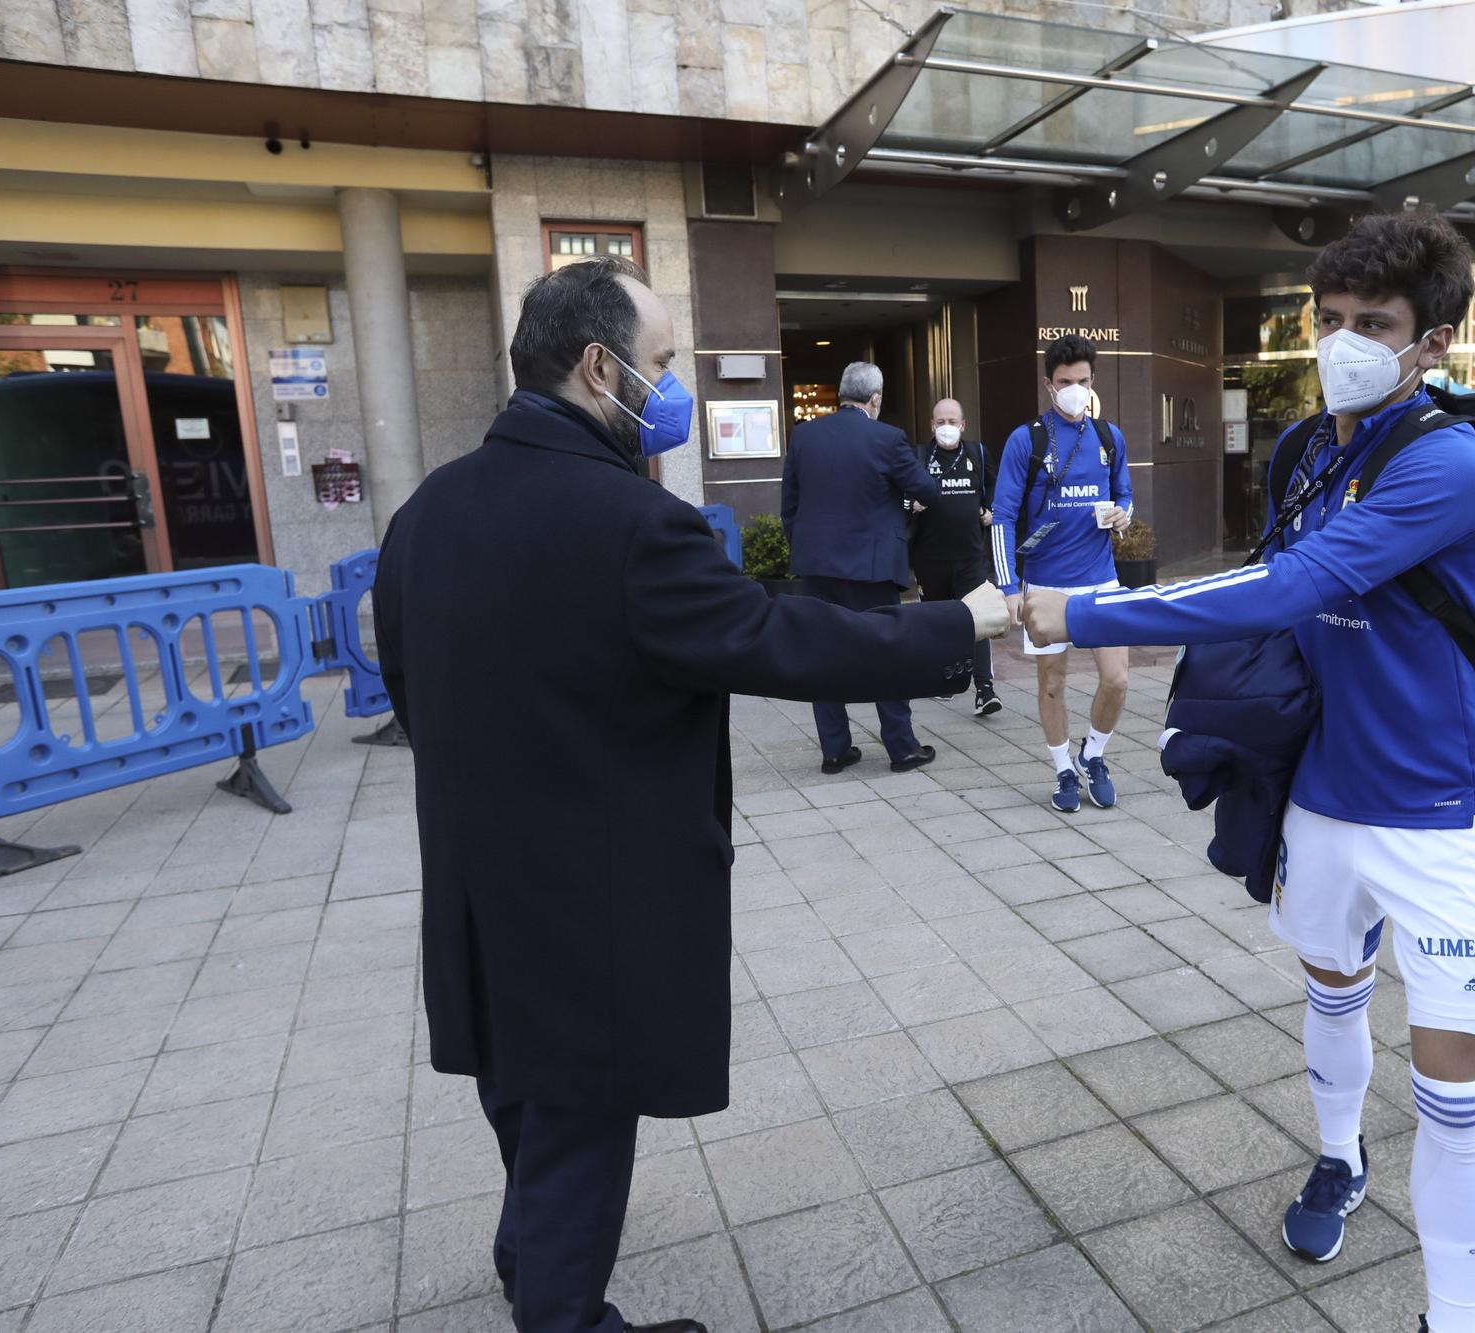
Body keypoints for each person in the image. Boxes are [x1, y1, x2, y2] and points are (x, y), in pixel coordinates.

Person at [373, 257, 1007, 1333]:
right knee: (581, 1112)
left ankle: (527, 1256)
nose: (672, 393)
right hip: (590, 888)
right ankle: (561, 1312)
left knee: (521, 1086)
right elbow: (776, 636)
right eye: (661, 364)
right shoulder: (628, 522)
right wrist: (962, 623)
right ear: (597, 366)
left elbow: (406, 682)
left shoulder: (428, 510)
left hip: (479, 877)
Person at [1023, 214, 1475, 1333]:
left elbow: (1289, 586)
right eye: (1328, 319)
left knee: (1450, 1102)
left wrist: (1088, 605)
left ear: (1429, 342)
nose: (1342, 341)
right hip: (1320, 800)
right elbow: (1274, 586)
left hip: (1438, 816)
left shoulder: (1448, 461)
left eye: (1372, 326)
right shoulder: (1304, 448)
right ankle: (1337, 1160)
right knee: (1330, 995)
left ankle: (1451, 1319)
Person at [989, 334, 1135, 813]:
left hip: (1101, 579)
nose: (1075, 390)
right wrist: (1009, 587)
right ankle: (1063, 770)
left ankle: (1093, 756)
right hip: (1046, 584)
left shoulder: (1110, 437)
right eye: (1065, 382)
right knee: (1052, 682)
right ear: (1050, 386)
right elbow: (1003, 516)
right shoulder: (1025, 440)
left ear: (1094, 381)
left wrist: (1122, 515)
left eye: (1083, 381)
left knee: (1117, 680)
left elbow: (1125, 496)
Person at [783, 362, 945, 774]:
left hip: (818, 567)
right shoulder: (887, 438)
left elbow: (790, 507)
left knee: (824, 656)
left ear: (841, 394)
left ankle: (835, 751)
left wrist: (809, 549)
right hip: (872, 569)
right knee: (887, 652)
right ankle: (901, 748)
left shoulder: (804, 436)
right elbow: (926, 489)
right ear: (875, 399)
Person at [908, 397, 1002, 716]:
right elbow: (901, 497)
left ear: (963, 425)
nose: (946, 427)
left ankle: (985, 689)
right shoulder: (919, 456)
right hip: (930, 557)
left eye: (952, 421)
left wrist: (992, 512)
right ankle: (944, 680)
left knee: (978, 619)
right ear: (932, 426)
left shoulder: (976, 453)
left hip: (970, 555)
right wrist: (912, 505)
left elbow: (996, 492)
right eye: (940, 422)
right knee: (940, 620)